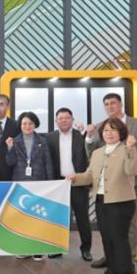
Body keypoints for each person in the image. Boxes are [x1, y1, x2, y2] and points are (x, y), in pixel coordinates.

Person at [67, 118, 137, 274]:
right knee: (107, 238)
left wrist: (131, 149)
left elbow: (132, 170)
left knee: (119, 239)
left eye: (113, 130)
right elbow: (89, 175)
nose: (109, 133)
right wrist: (75, 178)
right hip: (101, 200)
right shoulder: (97, 153)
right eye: (106, 130)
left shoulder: (126, 149)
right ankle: (111, 272)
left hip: (120, 201)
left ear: (121, 133)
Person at [85, 93, 137, 270]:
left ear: (121, 104)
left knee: (129, 224)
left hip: (130, 182)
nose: (110, 106)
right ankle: (110, 258)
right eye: (106, 104)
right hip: (108, 185)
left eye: (113, 103)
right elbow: (93, 152)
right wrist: (89, 137)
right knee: (108, 226)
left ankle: (129, 261)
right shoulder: (101, 126)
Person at [5, 111, 54, 261]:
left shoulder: (42, 141)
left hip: (39, 183)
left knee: (38, 217)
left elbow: (48, 162)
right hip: (21, 183)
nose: (27, 126)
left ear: (35, 125)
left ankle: (37, 249)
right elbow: (10, 163)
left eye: (30, 123)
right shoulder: (15, 141)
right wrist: (10, 148)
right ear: (20, 125)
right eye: (24, 123)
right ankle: (24, 248)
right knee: (22, 217)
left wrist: (50, 183)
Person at [46, 108, 92, 261]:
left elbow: (90, 149)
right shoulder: (49, 137)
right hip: (58, 184)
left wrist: (86, 132)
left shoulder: (80, 135)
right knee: (58, 218)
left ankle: (86, 249)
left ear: (72, 120)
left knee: (82, 218)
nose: (64, 120)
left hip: (78, 182)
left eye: (67, 118)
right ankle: (56, 248)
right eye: (60, 118)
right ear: (56, 121)